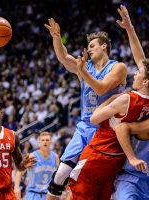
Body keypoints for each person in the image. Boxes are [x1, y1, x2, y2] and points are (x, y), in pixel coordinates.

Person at [67, 8, 149, 197]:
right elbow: (141, 60)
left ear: (145, 81)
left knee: (75, 191)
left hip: (102, 151)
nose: (134, 73)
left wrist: (110, 100)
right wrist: (130, 29)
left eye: (138, 73)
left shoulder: (125, 99)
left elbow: (95, 118)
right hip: (126, 156)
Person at [44, 19, 127, 199]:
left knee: (106, 182)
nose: (88, 49)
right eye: (88, 47)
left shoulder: (118, 67)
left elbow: (102, 88)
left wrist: (83, 73)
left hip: (108, 130)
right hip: (85, 126)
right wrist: (57, 37)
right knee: (60, 174)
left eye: (92, 46)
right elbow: (64, 58)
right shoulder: (85, 66)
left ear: (104, 46)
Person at [14, 131, 59, 200]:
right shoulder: (32, 156)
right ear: (39, 143)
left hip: (48, 195)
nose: (45, 142)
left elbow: (58, 177)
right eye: (42, 140)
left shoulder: (55, 157)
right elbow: (20, 172)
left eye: (47, 140)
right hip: (33, 194)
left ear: (51, 142)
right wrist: (16, 188)